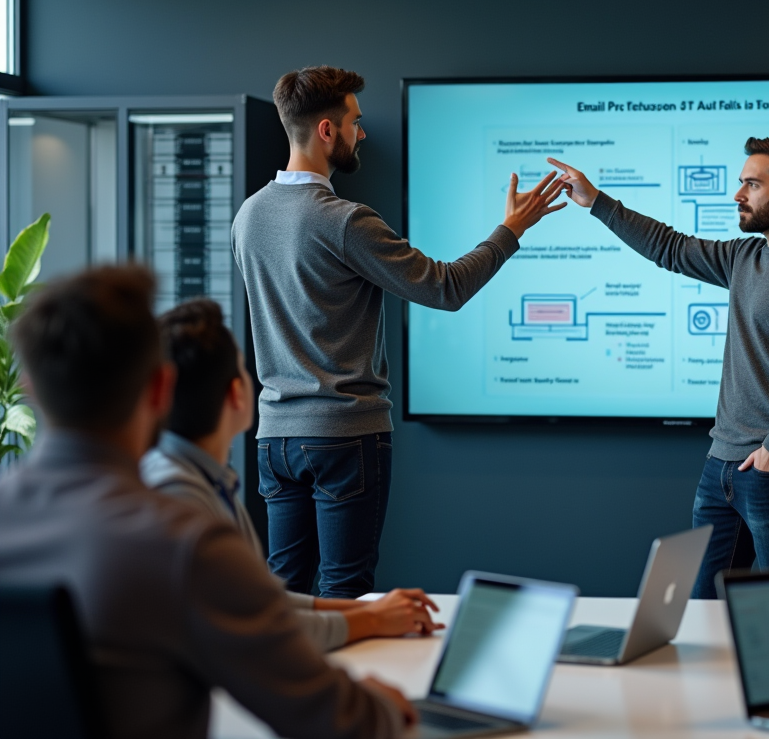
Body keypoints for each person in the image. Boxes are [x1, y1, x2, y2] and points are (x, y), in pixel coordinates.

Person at [0, 266, 415, 739]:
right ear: (160, 390)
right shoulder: (183, 544)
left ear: (30, 385)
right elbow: (334, 720)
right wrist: (386, 707)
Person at [232, 66, 565, 598]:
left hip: (274, 437)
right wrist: (511, 230)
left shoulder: (247, 216)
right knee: (347, 588)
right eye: (354, 122)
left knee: (285, 592)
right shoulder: (344, 220)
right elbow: (446, 288)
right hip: (344, 435)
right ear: (326, 130)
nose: (360, 132)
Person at [548, 139, 769, 598]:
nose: (739, 194)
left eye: (752, 184)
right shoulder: (744, 257)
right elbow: (668, 247)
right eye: (741, 183)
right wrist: (596, 201)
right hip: (722, 468)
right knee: (703, 610)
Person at [141, 298, 445, 651]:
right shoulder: (181, 497)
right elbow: (259, 619)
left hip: (273, 444)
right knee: (343, 580)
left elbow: (265, 601)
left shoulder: (199, 481)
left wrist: (376, 610)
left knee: (285, 577)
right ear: (237, 394)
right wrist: (372, 618)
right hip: (344, 425)